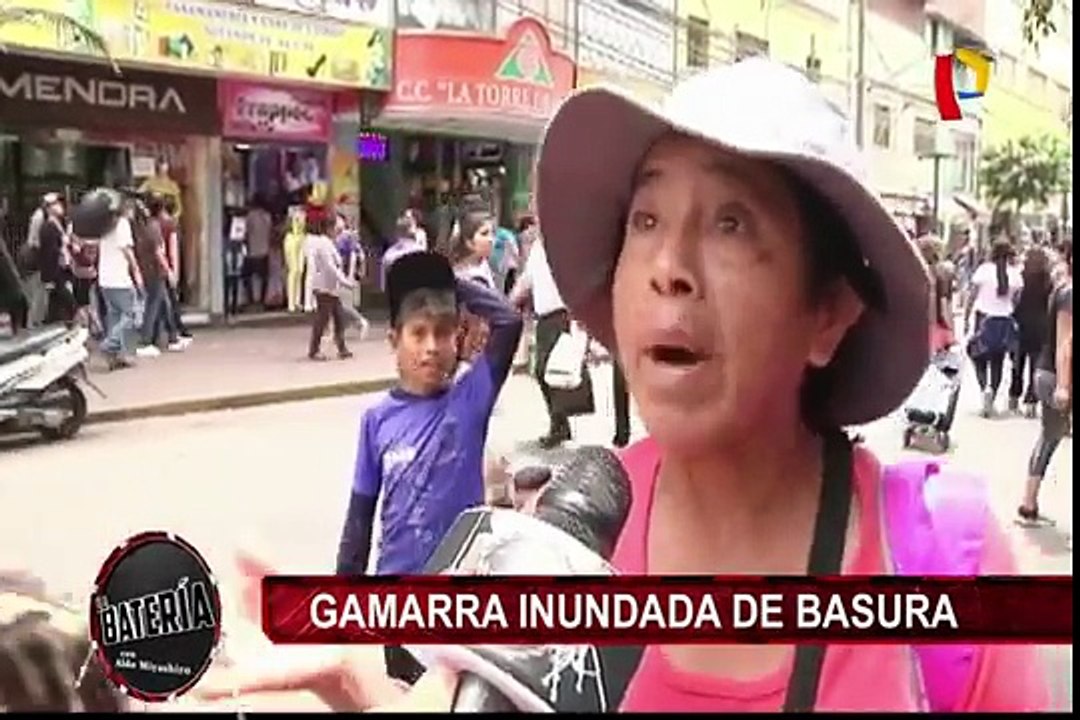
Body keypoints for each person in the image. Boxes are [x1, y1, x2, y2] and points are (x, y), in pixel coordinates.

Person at [196, 59, 1050, 713]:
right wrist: (360, 685)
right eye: (646, 218)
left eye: (732, 223)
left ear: (827, 312)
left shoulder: (949, 566)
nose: (667, 265)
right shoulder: (553, 548)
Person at [333, 251, 522, 684]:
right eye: (418, 334)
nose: (431, 347)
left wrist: (449, 285)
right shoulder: (377, 421)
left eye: (443, 333)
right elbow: (359, 520)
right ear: (394, 340)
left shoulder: (471, 399)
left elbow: (509, 321)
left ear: (458, 338)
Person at [1018, 240, 1072, 527]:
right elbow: (1065, 343)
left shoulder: (1062, 290)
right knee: (1049, 438)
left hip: (1049, 373)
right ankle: (1028, 503)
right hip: (1058, 377)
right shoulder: (1069, 294)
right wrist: (1063, 385)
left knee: (1049, 439)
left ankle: (1029, 504)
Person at [510, 235, 580, 449]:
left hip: (559, 314)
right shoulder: (537, 249)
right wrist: (510, 301)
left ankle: (560, 424)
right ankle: (559, 423)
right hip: (543, 317)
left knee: (548, 369)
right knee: (542, 371)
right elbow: (527, 280)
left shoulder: (561, 246)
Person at [964, 239, 1023, 417]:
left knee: (978, 356)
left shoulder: (983, 271)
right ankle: (993, 394)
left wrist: (966, 317)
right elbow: (1016, 300)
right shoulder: (1015, 274)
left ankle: (984, 388)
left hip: (984, 318)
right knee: (998, 360)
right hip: (1004, 320)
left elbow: (972, 295)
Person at [97, 194, 143, 371]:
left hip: (105, 279)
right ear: (127, 209)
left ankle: (116, 357)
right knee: (130, 315)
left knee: (114, 316)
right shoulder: (122, 224)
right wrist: (136, 270)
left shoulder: (105, 225)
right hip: (119, 279)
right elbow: (127, 251)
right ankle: (109, 345)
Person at [134, 195, 183, 356]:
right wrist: (169, 270)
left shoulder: (145, 226)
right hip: (156, 271)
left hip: (150, 270)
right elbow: (159, 252)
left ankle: (170, 337)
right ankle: (147, 340)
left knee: (163, 304)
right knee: (154, 306)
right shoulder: (154, 227)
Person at [1010, 246, 1053, 417]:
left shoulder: (1021, 277)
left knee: (1017, 362)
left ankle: (1014, 395)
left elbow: (1014, 299)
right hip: (1041, 325)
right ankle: (1031, 400)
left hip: (1021, 322)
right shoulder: (1048, 280)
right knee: (1035, 364)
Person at [306, 212, 354, 361]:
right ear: (329, 228)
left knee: (338, 317)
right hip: (324, 287)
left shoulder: (328, 242)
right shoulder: (324, 244)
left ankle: (341, 348)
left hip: (330, 287)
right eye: (336, 228)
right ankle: (315, 350)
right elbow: (330, 266)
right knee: (323, 319)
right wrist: (345, 281)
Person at [37, 193, 77, 325]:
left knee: (55, 305)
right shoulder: (48, 227)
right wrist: (49, 278)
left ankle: (49, 323)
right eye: (55, 204)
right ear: (48, 208)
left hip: (62, 270)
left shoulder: (58, 225)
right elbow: (48, 254)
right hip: (55, 273)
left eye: (59, 203)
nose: (60, 206)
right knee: (70, 303)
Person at [160, 197, 193, 346]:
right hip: (167, 266)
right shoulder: (170, 225)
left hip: (159, 267)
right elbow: (173, 250)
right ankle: (177, 331)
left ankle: (175, 330)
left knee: (165, 302)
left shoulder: (155, 223)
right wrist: (175, 271)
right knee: (171, 301)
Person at [334, 211, 371, 340]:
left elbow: (354, 255)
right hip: (339, 273)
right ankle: (339, 331)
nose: (336, 223)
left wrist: (350, 274)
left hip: (346, 273)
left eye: (338, 220)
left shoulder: (347, 236)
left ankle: (361, 321)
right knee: (338, 304)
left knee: (345, 304)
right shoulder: (336, 237)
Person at [244, 198, 274, 309]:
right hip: (264, 251)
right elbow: (270, 233)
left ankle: (251, 300)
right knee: (264, 277)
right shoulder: (267, 216)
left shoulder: (250, 216)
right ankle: (261, 300)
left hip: (252, 251)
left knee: (247, 277)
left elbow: (246, 232)